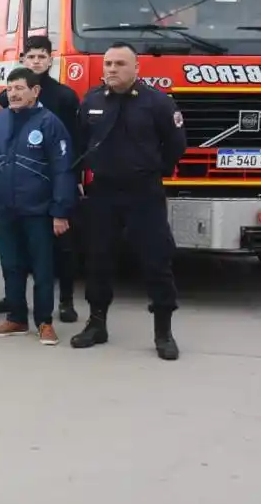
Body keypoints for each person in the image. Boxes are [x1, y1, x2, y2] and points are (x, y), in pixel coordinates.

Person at [71, 42, 186, 361]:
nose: (111, 69)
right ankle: (96, 324)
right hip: (104, 191)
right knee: (98, 258)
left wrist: (153, 170)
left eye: (120, 64)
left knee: (156, 260)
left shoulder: (158, 102)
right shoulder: (93, 100)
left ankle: (163, 332)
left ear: (137, 69)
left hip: (143, 192)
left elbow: (176, 144)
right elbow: (82, 143)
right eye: (108, 63)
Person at [0, 68, 75, 346]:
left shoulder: (49, 123)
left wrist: (60, 210)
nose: (14, 93)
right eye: (10, 88)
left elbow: (63, 170)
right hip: (4, 210)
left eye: (20, 88)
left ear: (35, 91)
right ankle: (16, 318)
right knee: (11, 266)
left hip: (39, 212)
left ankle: (44, 322)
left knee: (42, 269)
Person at [0, 35, 82, 322]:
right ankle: (14, 301)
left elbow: (72, 145)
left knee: (62, 248)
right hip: (15, 191)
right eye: (31, 56)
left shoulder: (65, 97)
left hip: (53, 185)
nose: (36, 61)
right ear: (23, 60)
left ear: (50, 60)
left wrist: (72, 181)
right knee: (15, 253)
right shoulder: (6, 99)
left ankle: (65, 301)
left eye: (42, 56)